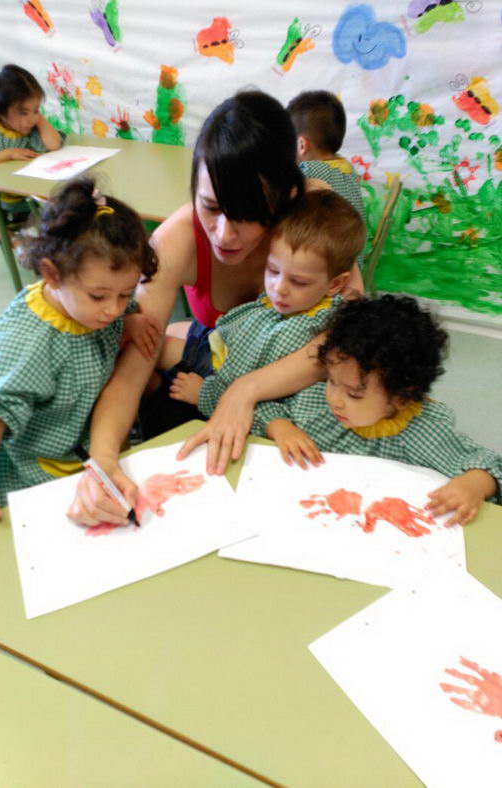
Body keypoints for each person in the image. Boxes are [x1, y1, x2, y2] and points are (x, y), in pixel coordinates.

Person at [67, 90, 365, 529]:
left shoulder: (313, 216)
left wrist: (244, 391)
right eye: (210, 207)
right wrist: (103, 461)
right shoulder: (177, 240)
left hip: (295, 390)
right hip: (213, 375)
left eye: (247, 213)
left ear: (286, 195)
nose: (224, 234)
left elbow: (348, 340)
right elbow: (135, 363)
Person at [0, 176, 158, 555]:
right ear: (51, 274)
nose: (114, 308)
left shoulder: (96, 309)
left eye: (126, 294)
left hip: (91, 446)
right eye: (99, 295)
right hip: (41, 471)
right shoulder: (25, 344)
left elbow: (116, 309)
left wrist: (130, 320)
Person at [252, 295, 502, 526]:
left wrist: (474, 485)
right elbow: (264, 408)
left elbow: (488, 464)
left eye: (354, 394)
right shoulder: (318, 406)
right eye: (331, 380)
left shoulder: (424, 433)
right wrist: (281, 427)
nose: (335, 400)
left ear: (401, 398)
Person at [167, 190, 365, 414]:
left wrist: (205, 394)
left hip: (218, 368)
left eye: (298, 282)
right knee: (173, 328)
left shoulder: (300, 331)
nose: (279, 288)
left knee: (160, 347)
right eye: (272, 270)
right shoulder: (304, 301)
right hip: (225, 337)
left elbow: (249, 383)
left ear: (335, 284)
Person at [0, 64, 63, 240]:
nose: (31, 119)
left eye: (36, 110)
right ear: (1, 112)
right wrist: (7, 154)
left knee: (63, 206)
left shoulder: (33, 126)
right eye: (23, 113)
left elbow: (54, 145)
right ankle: (17, 244)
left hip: (28, 197)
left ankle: (42, 242)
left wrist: (40, 119)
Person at [287, 90, 366, 266]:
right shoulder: (347, 167)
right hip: (354, 263)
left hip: (329, 268)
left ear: (301, 145)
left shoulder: (309, 172)